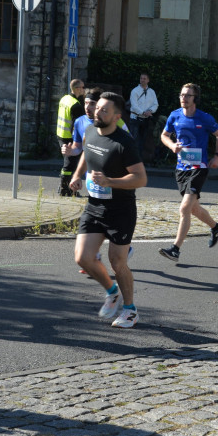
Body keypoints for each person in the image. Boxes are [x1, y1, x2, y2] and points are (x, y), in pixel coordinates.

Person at [70, 93, 147, 328]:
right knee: (82, 258)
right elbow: (86, 152)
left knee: (117, 263)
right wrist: (76, 176)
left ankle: (130, 310)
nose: (97, 113)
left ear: (116, 116)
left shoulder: (124, 142)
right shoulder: (91, 131)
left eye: (104, 110)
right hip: (94, 206)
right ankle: (112, 291)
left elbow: (141, 178)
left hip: (120, 210)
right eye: (97, 108)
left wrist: (110, 181)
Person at [158, 83, 218, 262]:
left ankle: (175, 249)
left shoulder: (204, 118)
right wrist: (172, 145)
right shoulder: (174, 115)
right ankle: (216, 227)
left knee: (185, 208)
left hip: (199, 168)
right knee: (193, 209)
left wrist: (217, 156)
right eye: (182, 95)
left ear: (195, 99)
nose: (183, 98)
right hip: (181, 168)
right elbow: (164, 135)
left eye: (188, 95)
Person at [57, 79, 86, 196]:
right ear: (77, 88)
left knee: (68, 163)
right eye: (82, 87)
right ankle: (65, 189)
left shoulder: (64, 98)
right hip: (69, 138)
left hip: (60, 134)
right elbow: (77, 126)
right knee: (70, 164)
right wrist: (78, 141)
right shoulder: (76, 105)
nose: (84, 89)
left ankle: (64, 188)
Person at [128, 72, 158, 163]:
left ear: (148, 80)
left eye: (144, 78)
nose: (142, 80)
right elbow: (134, 106)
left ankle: (140, 161)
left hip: (146, 120)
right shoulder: (135, 91)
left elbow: (155, 104)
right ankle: (132, 161)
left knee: (143, 141)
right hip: (135, 119)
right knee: (134, 140)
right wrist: (143, 112)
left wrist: (150, 111)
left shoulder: (152, 92)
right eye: (141, 78)